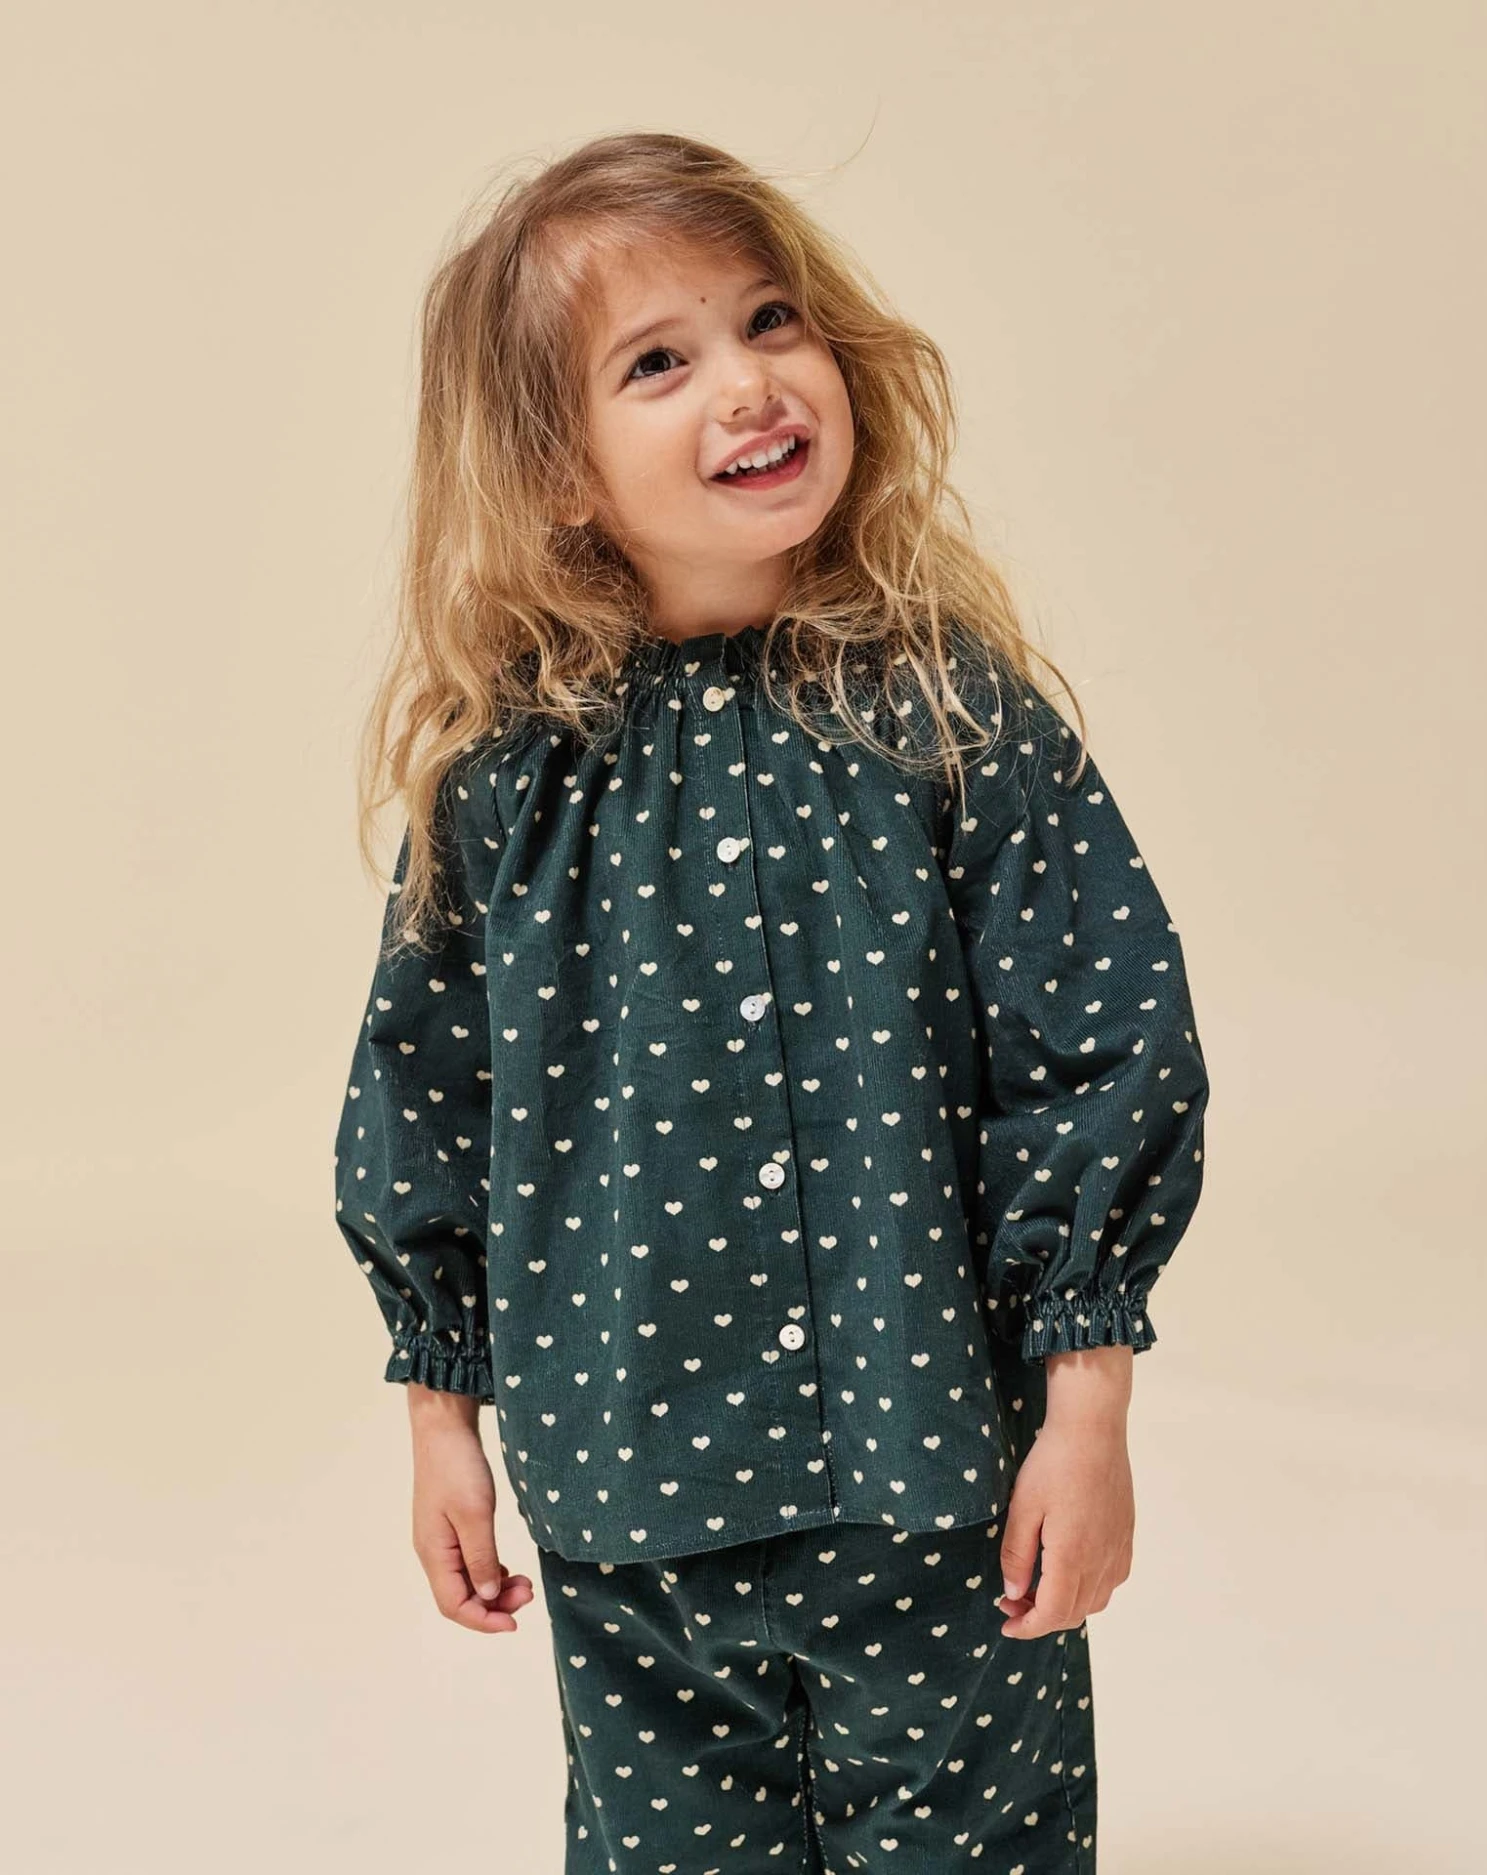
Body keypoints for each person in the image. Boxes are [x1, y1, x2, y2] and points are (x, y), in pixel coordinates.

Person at [331, 130, 1211, 1873]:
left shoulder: (953, 717)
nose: (747, 382)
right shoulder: (512, 787)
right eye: (657, 362)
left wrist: (1090, 1413)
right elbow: (428, 1107)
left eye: (770, 319)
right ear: (557, 469)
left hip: (941, 1487)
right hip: (630, 1512)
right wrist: (442, 1420)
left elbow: (1098, 1053)